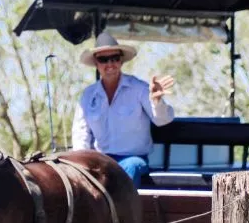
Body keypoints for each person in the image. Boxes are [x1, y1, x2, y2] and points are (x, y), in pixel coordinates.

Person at [71, 31, 175, 187]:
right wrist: (81, 163)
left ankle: (120, 212)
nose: (110, 64)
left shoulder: (140, 89)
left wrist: (157, 101)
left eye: (115, 58)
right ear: (96, 63)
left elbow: (162, 120)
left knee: (130, 167)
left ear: (121, 61)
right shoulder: (88, 95)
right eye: (103, 59)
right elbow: (81, 134)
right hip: (101, 160)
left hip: (133, 158)